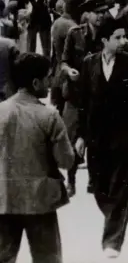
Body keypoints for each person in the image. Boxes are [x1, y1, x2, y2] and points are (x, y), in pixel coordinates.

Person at [75, 16, 128, 258]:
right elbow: (82, 103)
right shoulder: (89, 64)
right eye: (117, 37)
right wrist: (80, 136)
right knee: (99, 186)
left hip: (123, 136)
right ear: (104, 40)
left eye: (123, 36)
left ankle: (113, 241)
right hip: (96, 136)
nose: (122, 41)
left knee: (121, 186)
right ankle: (111, 212)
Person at [0, 52, 74, 263]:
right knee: (47, 258)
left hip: (3, 199)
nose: (50, 83)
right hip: (40, 202)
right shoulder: (49, 116)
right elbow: (65, 161)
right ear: (35, 82)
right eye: (48, 78)